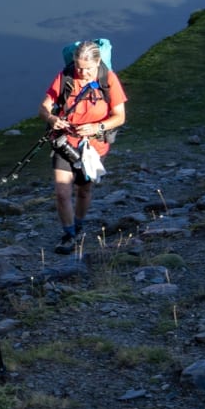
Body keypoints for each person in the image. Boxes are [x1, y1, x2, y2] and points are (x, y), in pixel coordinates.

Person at [37, 40, 127, 254]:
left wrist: (97, 127)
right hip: (64, 141)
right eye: (78, 67)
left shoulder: (108, 79)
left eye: (87, 69)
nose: (82, 72)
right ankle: (69, 235)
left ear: (98, 62)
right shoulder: (66, 76)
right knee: (62, 192)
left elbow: (120, 116)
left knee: (84, 190)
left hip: (94, 147)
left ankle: (79, 224)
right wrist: (51, 119)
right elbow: (44, 107)